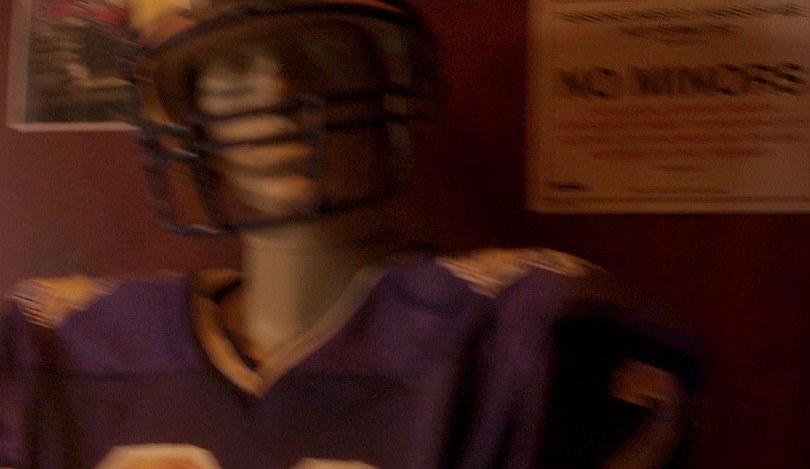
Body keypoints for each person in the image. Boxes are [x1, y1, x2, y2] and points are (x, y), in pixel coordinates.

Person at [0, 1, 701, 468]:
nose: (276, 88)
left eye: (319, 49)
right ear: (185, 111)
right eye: (231, 64)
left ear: (394, 76)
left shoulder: (529, 331)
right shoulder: (50, 343)